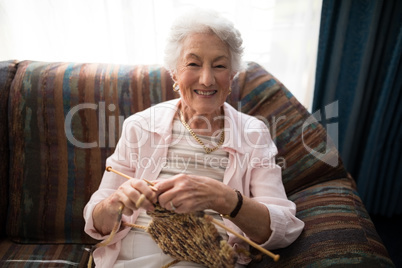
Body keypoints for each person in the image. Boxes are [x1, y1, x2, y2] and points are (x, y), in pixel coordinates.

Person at [84, 9, 304, 268]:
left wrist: (224, 198)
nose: (207, 79)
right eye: (193, 64)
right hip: (132, 257)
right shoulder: (140, 126)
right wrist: (116, 202)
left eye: (219, 66)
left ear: (232, 76)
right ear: (175, 73)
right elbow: (95, 221)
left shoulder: (253, 133)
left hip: (206, 258)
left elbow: (284, 228)